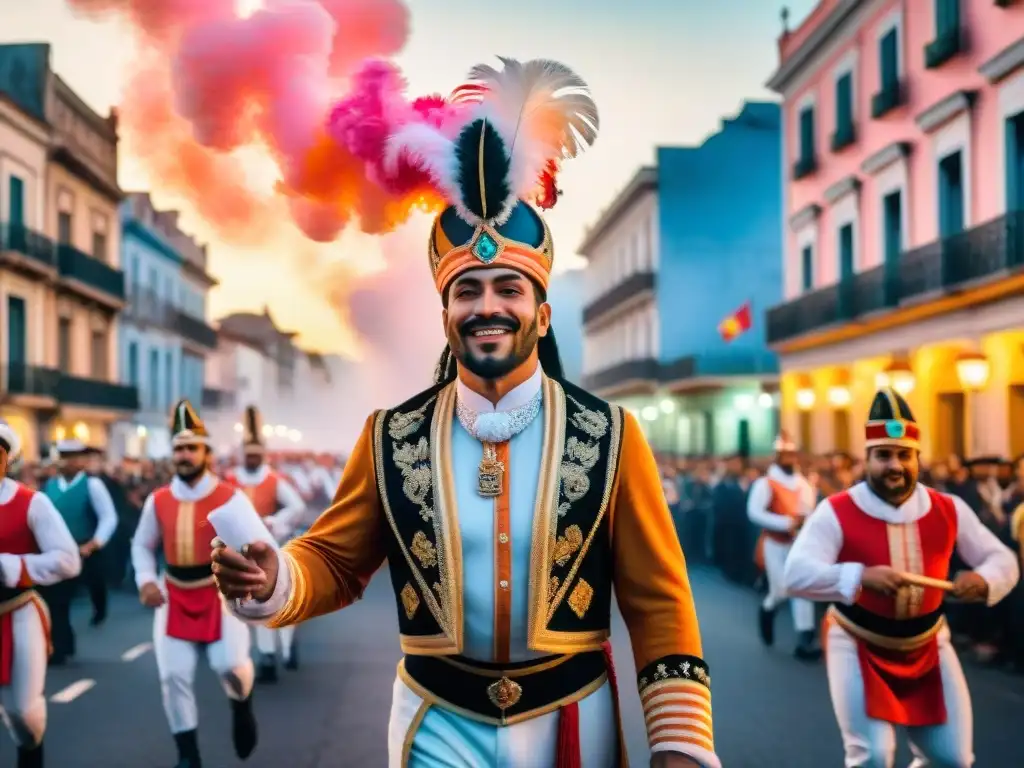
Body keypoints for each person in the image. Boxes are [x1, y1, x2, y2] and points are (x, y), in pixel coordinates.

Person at [212, 55, 718, 768]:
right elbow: (334, 559)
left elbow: (658, 599)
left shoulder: (610, 435)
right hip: (436, 719)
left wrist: (680, 742)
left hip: (572, 715)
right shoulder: (391, 436)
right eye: (468, 290)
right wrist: (276, 582)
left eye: (508, 289)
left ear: (541, 314)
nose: (488, 306)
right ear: (446, 313)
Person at [784, 387, 1020, 767]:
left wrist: (984, 579)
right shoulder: (836, 510)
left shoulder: (949, 508)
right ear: (867, 459)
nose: (894, 465)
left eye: (903, 455)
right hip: (857, 643)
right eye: (883, 456)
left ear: (917, 458)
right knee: (873, 757)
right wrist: (859, 576)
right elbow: (795, 574)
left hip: (929, 644)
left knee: (952, 759)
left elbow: (1002, 559)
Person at [130, 400, 264, 768]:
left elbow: (260, 543)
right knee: (172, 675)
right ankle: (187, 755)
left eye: (191, 448)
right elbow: (142, 545)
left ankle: (241, 703)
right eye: (178, 449)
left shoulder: (231, 497)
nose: (184, 455)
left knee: (231, 666)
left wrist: (253, 580)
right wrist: (145, 580)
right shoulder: (158, 500)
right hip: (173, 593)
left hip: (222, 593)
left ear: (206, 453)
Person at [0, 420, 81, 767]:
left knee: (23, 712)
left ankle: (30, 754)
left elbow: (68, 561)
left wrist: (11, 567)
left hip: (18, 610)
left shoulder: (33, 503)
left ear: (7, 458)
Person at [224, 405, 306, 682]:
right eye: (248, 455)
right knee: (258, 603)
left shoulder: (273, 480)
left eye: (256, 455)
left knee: (282, 601)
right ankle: (267, 656)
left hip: (275, 548)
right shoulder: (232, 481)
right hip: (245, 553)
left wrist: (273, 521)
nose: (252, 459)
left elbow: (297, 506)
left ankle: (286, 645)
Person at [38, 439, 118, 663]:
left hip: (86, 548)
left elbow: (108, 517)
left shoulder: (93, 485)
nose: (69, 462)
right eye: (64, 457)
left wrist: (94, 543)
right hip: (59, 550)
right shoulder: (49, 486)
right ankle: (61, 646)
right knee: (57, 600)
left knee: (96, 584)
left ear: (82, 461)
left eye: (74, 457)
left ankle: (99, 607)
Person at [746, 432, 819, 660]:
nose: (789, 458)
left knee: (802, 587)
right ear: (777, 456)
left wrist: (805, 522)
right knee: (781, 590)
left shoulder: (803, 484)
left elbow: (809, 510)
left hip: (797, 544)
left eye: (792, 454)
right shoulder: (764, 483)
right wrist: (785, 522)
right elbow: (754, 512)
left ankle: (804, 641)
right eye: (784, 454)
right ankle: (768, 607)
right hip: (773, 544)